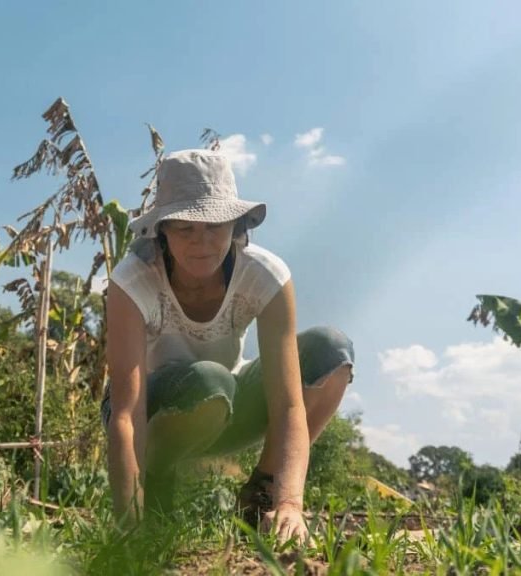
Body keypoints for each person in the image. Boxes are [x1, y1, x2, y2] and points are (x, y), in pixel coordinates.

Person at [102, 149, 355, 542]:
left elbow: (288, 404)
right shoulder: (132, 281)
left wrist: (290, 503)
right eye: (185, 228)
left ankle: (259, 495)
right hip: (151, 414)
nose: (201, 242)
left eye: (214, 226)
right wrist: (128, 527)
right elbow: (126, 414)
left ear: (236, 226)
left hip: (228, 403)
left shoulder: (265, 276)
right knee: (209, 381)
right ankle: (156, 479)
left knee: (331, 350)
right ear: (162, 230)